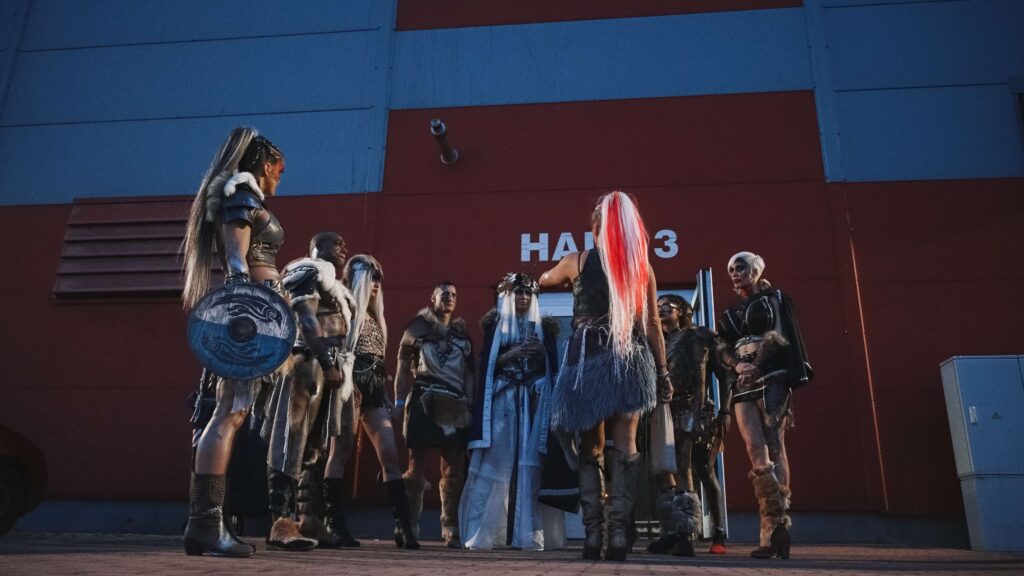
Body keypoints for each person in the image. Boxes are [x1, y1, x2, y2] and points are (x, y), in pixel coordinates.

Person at [539, 191, 669, 562]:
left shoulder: (576, 261)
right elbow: (653, 324)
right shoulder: (641, 267)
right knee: (626, 444)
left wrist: (560, 280)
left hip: (587, 359)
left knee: (590, 447)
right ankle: (619, 535)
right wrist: (663, 372)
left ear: (596, 228)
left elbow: (544, 279)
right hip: (630, 357)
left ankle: (593, 535)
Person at [181, 127, 286, 557]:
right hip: (249, 320)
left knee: (233, 413)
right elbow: (237, 260)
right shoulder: (242, 196)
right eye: (278, 170)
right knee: (229, 412)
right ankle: (206, 524)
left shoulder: (246, 198)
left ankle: (206, 525)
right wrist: (247, 313)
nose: (279, 179)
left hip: (257, 317)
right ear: (265, 165)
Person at [459, 272, 564, 550]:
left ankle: (529, 533)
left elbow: (554, 368)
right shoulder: (496, 327)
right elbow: (486, 366)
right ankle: (484, 532)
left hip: (534, 403)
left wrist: (542, 355)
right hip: (504, 402)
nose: (524, 297)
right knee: (495, 465)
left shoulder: (544, 329)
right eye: (519, 292)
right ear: (508, 296)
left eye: (528, 293)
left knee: (532, 465)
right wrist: (509, 356)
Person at [719, 251, 812, 560]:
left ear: (756, 270)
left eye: (740, 267)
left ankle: (775, 527)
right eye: (731, 269)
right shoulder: (731, 312)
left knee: (775, 444)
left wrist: (756, 366)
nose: (735, 273)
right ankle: (770, 527)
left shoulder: (774, 300)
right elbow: (720, 346)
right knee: (754, 449)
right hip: (742, 382)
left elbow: (779, 337)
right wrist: (736, 365)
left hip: (771, 377)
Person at [324, 254, 421, 550]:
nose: (377, 284)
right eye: (372, 278)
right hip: (349, 383)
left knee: (390, 453)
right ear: (359, 280)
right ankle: (333, 524)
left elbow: (379, 362)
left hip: (375, 386)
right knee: (340, 451)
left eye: (380, 278)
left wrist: (387, 395)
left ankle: (403, 527)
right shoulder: (344, 309)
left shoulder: (376, 316)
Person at [266, 232, 354, 551]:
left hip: (328, 367)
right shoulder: (308, 270)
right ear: (317, 248)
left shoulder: (333, 283)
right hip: (306, 363)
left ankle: (308, 518)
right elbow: (306, 320)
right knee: (291, 440)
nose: (343, 247)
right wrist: (326, 362)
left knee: (315, 447)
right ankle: (281, 521)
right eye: (336, 243)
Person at [646, 295, 732, 557]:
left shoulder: (700, 336)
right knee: (664, 469)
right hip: (665, 410)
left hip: (696, 409)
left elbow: (725, 374)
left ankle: (711, 532)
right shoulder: (658, 340)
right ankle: (672, 531)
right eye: (657, 307)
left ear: (682, 311)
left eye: (667, 307)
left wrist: (725, 411)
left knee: (700, 469)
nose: (661, 310)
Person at [395, 282, 475, 548]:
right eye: (444, 294)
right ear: (433, 298)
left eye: (454, 294)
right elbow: (402, 368)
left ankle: (450, 527)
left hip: (455, 403)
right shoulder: (416, 329)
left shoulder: (463, 337)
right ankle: (409, 526)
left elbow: (469, 374)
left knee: (453, 469)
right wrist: (398, 402)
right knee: (415, 466)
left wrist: (470, 404)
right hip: (423, 398)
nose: (449, 297)